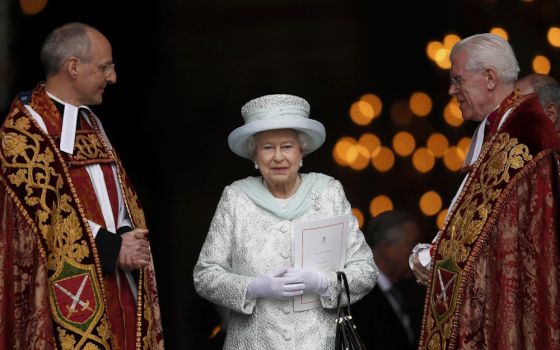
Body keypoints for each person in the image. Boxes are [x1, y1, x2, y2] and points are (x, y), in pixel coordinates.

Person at [0, 22, 164, 349]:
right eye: (105, 67)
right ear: (73, 67)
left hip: (119, 290)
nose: (113, 78)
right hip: (62, 297)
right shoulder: (23, 131)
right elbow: (40, 219)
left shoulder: (91, 122)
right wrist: (111, 248)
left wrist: (126, 234)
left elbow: (118, 198)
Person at [410, 33, 560, 349]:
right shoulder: (503, 123)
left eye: (458, 80)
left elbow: (487, 232)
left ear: (490, 77)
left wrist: (430, 258)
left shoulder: (523, 131)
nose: (452, 90)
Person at [193, 94, 378, 349]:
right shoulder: (236, 197)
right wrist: (255, 287)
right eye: (268, 147)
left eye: (287, 146)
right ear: (255, 155)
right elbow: (205, 276)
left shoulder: (329, 193)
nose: (278, 157)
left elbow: (366, 271)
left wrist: (323, 283)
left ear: (301, 151)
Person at [353, 210, 423, 350]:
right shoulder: (359, 296)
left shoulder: (405, 289)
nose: (419, 254)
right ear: (387, 248)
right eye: (412, 245)